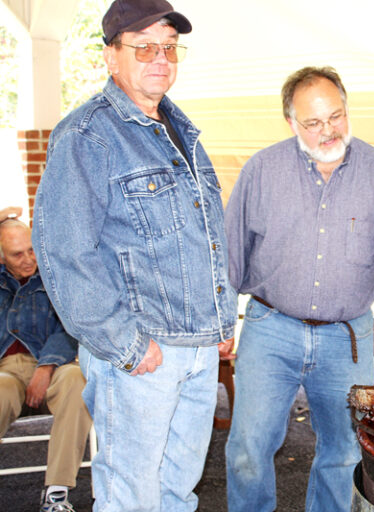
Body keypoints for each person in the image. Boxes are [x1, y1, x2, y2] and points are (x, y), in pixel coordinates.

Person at [31, 0, 237, 509]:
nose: (160, 58)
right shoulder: (86, 136)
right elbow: (64, 251)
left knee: (176, 491)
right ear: (110, 57)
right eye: (144, 46)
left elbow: (207, 233)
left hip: (196, 346)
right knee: (130, 497)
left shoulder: (180, 130)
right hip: (142, 352)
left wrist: (220, 321)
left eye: (168, 47)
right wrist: (124, 342)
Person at [224, 66, 374, 512]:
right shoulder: (262, 171)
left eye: (337, 117)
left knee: (345, 453)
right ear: (291, 122)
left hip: (347, 338)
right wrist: (220, 320)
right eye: (314, 122)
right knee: (248, 448)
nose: (328, 130)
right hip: (270, 328)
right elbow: (230, 252)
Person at [0, 219, 92, 512]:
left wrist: (46, 366)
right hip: (5, 371)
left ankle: (57, 492)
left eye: (32, 250)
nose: (29, 260)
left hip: (51, 365)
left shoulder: (55, 278)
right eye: (17, 254)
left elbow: (69, 330)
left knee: (78, 381)